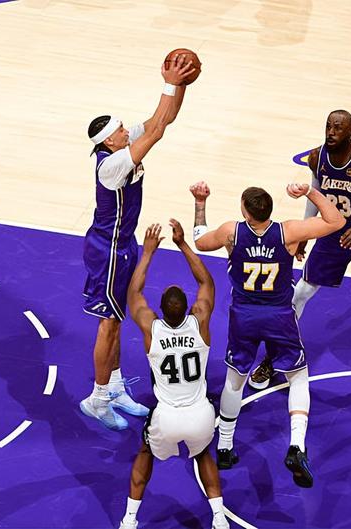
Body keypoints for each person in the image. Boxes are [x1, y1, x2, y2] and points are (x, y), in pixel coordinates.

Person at [190, 180, 345, 488]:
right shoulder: (288, 232)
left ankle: (225, 447)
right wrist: (309, 192)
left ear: (246, 213)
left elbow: (200, 241)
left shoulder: (232, 232)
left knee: (235, 379)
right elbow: (336, 221)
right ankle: (297, 446)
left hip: (244, 316)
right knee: (298, 377)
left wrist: (200, 202)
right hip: (279, 316)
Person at [248, 110, 351, 403]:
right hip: (334, 234)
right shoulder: (317, 158)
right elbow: (315, 195)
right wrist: (306, 233)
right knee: (299, 294)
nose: (331, 132)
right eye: (328, 126)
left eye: (338, 128)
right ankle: (274, 355)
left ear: (350, 131)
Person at [80, 55, 197, 430]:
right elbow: (156, 132)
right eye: (120, 130)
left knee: (118, 320)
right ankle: (98, 398)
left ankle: (114, 386)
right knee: (108, 324)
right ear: (109, 141)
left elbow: (164, 119)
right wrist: (168, 82)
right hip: (108, 250)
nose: (126, 131)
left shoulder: (120, 143)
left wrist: (180, 85)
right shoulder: (112, 164)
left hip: (124, 244)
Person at [119, 220, 229, 529]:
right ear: (187, 308)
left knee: (145, 452)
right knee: (203, 454)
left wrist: (148, 252)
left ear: (162, 310)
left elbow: (134, 293)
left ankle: (129, 520)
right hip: (200, 414)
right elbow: (207, 283)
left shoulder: (151, 329)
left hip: (166, 416)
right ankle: (219, 518)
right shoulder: (200, 323)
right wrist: (182, 244)